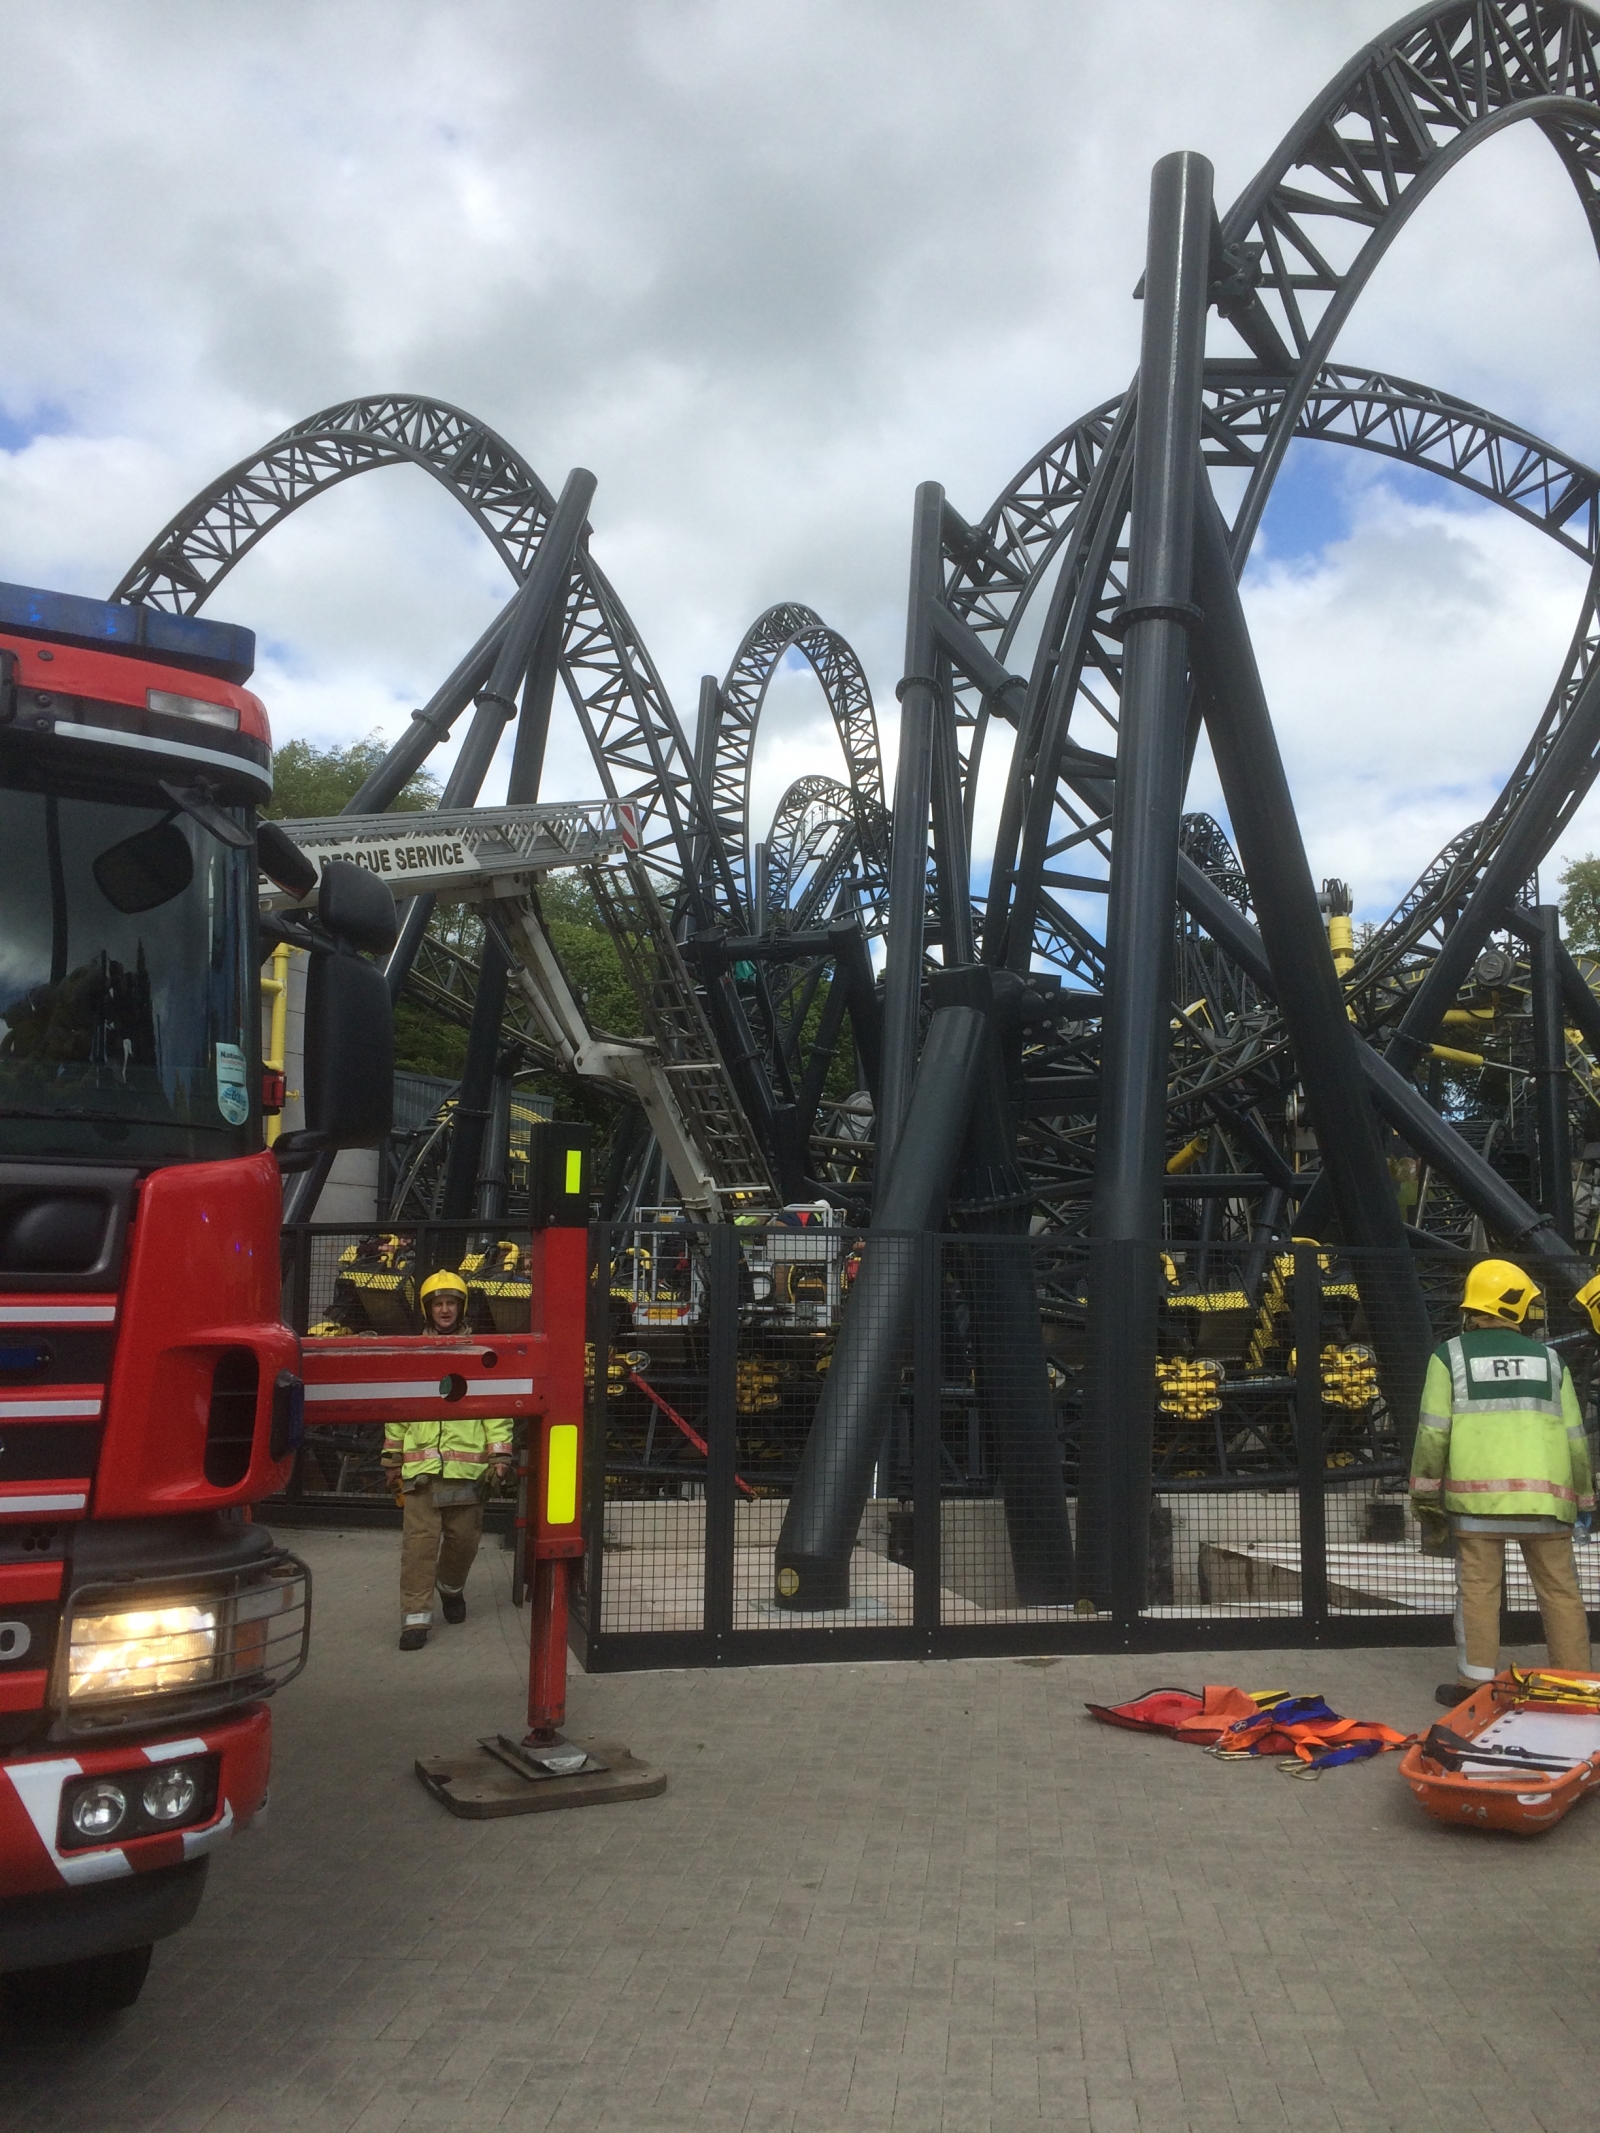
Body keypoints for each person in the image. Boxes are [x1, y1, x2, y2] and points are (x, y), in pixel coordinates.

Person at [1410, 1256, 1594, 1707]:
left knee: (1478, 1590)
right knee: (1560, 1592)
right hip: (1547, 1504)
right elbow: (1575, 1439)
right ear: (1513, 1306)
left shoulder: (1448, 1357)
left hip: (1477, 1507)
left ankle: (1474, 1687)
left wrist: (1425, 1498)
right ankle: (1573, 1684)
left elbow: (1433, 1435)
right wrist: (1586, 1501)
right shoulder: (1550, 1361)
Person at [381, 1270, 512, 1651]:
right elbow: (400, 1408)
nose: (444, 1310)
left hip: (467, 1474)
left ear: (461, 1307)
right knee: (418, 1548)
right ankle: (415, 1621)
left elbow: (496, 1409)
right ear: (428, 1309)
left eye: (450, 1303)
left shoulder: (478, 1353)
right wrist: (392, 1457)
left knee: (464, 1542)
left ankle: (450, 1587)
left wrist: (498, 1456)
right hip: (421, 1474)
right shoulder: (413, 1357)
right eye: (438, 1304)